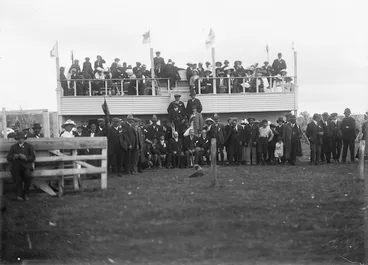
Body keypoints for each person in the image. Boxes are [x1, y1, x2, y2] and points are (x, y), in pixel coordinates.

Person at [6, 131, 35, 201]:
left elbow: (33, 158)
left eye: (21, 138)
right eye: (18, 138)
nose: (20, 140)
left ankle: (26, 194)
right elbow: (8, 157)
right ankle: (19, 195)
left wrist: (25, 157)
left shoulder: (29, 146)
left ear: (24, 139)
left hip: (26, 166)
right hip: (16, 166)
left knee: (28, 176)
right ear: (17, 139)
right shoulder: (13, 147)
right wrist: (14, 157)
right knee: (17, 178)